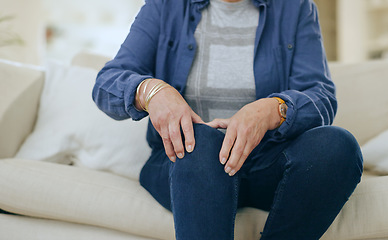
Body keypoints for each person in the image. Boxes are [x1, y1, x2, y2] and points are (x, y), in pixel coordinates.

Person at [92, 0, 363, 239]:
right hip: (185, 163)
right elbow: (106, 83)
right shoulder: (164, 5)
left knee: (338, 146)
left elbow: (322, 96)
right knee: (201, 142)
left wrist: (273, 109)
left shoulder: (297, 7)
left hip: (265, 163)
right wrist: (151, 92)